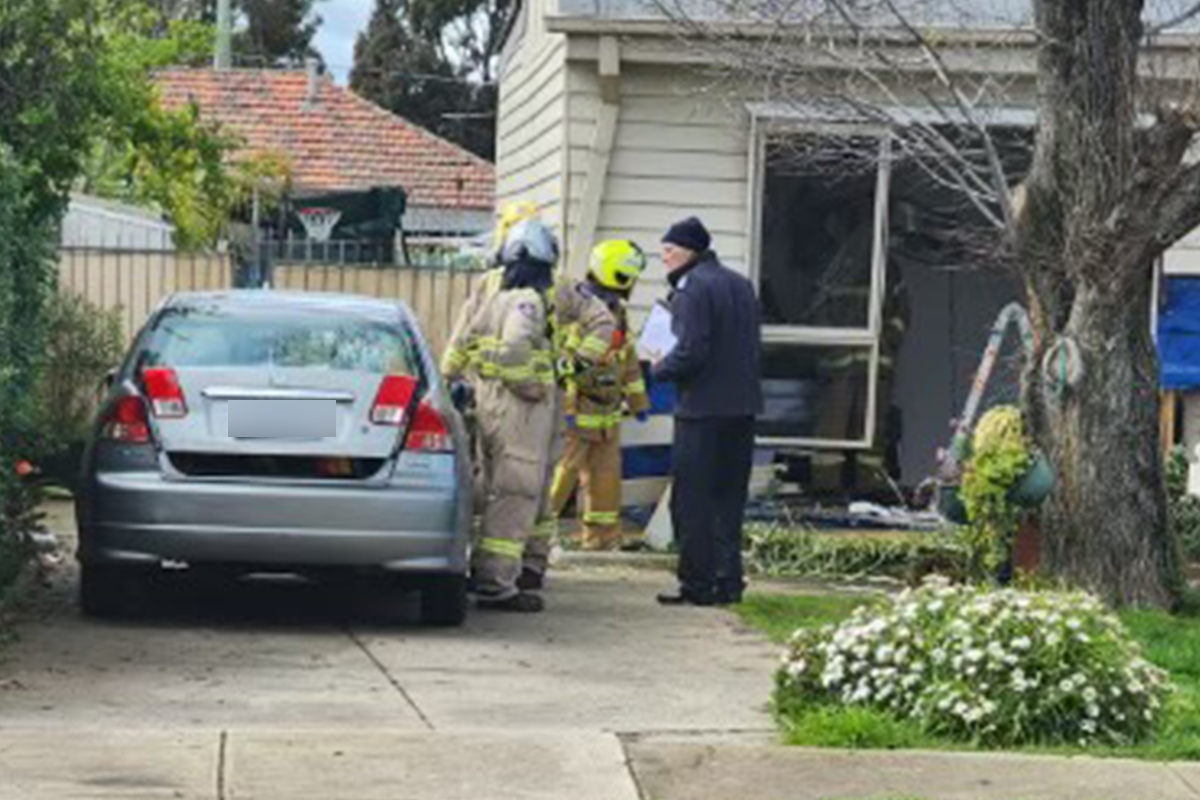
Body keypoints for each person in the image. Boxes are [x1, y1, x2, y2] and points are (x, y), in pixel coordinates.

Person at [442, 218, 614, 612]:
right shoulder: (545, 292)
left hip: (490, 397)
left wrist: (446, 380)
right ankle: (496, 580)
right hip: (528, 403)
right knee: (518, 485)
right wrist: (556, 374)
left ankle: (529, 564)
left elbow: (460, 337)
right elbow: (600, 322)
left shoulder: (488, 284)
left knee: (521, 482)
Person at [651, 216, 763, 607]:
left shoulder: (693, 287)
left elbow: (691, 351)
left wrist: (656, 370)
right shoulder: (741, 284)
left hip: (701, 411)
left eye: (668, 250)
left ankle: (698, 584)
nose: (663, 257)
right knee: (728, 499)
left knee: (692, 501)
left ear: (688, 251)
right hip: (742, 409)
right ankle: (729, 582)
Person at [546, 240, 651, 554]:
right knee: (562, 474)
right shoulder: (581, 308)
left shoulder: (617, 311)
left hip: (607, 415)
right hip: (577, 412)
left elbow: (627, 361)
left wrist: (638, 402)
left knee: (606, 478)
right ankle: (535, 535)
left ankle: (603, 539)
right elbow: (570, 360)